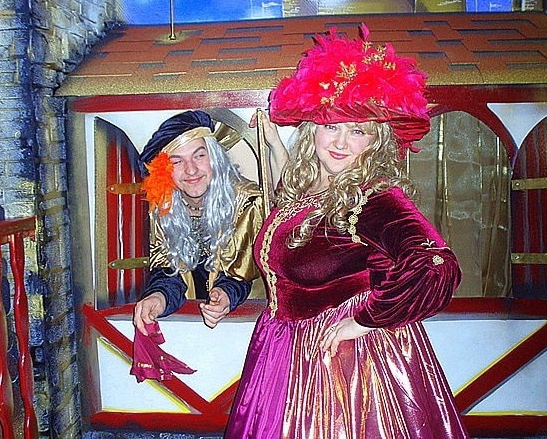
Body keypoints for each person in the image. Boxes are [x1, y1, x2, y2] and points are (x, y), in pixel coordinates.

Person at [225, 25, 469, 438]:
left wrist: (365, 322)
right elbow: (314, 233)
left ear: (376, 140)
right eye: (331, 126)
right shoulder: (311, 186)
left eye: (358, 130)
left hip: (345, 365)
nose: (340, 142)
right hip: (284, 348)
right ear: (312, 130)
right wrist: (274, 145)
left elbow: (435, 264)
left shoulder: (373, 198)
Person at [132, 110, 263, 334]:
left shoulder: (247, 202)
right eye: (177, 161)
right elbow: (168, 270)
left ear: (214, 158)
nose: (191, 170)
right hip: (188, 327)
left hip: (248, 322)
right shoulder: (162, 207)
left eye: (199, 156)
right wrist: (159, 297)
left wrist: (226, 294)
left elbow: (243, 274)